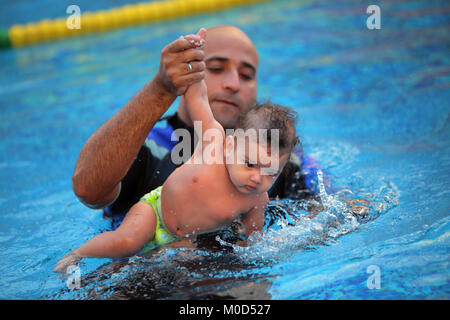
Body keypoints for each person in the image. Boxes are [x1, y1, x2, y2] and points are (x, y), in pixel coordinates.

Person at [53, 32, 299, 272]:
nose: (232, 84)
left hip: (200, 266)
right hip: (152, 223)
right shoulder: (155, 145)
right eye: (214, 68)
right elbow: (87, 189)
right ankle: (78, 255)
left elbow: (256, 240)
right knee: (127, 243)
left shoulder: (285, 164)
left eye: (246, 75)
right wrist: (165, 86)